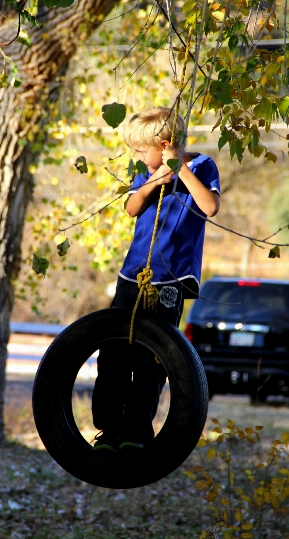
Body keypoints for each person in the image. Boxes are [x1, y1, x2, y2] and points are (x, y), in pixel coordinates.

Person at [92, 106, 221, 452]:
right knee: (114, 350)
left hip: (171, 280)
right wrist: (153, 180)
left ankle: (136, 432)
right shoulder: (146, 171)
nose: (137, 156)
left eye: (140, 150)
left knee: (151, 359)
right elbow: (132, 208)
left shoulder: (202, 167)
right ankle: (109, 428)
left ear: (165, 145)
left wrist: (180, 169)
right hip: (133, 275)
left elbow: (209, 207)